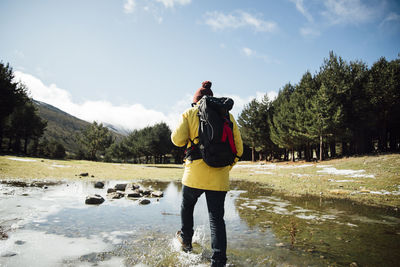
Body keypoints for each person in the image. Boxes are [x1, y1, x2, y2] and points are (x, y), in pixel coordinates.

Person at [171, 81, 243, 267]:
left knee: (187, 206)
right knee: (216, 219)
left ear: (196, 101)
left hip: (194, 174)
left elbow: (177, 140)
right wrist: (226, 167)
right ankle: (218, 260)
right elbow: (239, 150)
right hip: (219, 178)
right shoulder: (228, 116)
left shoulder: (190, 113)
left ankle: (186, 240)